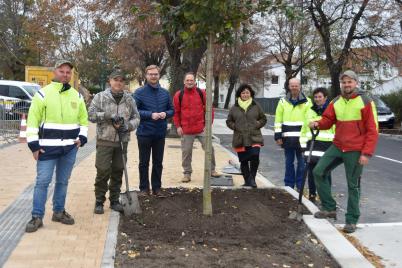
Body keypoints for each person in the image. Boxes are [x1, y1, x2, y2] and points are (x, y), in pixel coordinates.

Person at [309, 70, 378, 233]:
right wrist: (317, 123)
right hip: (338, 146)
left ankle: (352, 219)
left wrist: (366, 153)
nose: (347, 85)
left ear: (356, 83)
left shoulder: (365, 101)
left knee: (353, 185)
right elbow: (328, 120)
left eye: (350, 82)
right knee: (318, 171)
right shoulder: (336, 101)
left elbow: (372, 130)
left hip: (355, 149)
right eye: (344, 82)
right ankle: (329, 208)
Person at [25, 60, 88, 232]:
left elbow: (83, 120)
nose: (65, 74)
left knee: (62, 182)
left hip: (69, 149)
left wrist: (82, 137)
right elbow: (33, 121)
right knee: (42, 182)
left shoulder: (77, 96)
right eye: (62, 71)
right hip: (46, 148)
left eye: (68, 72)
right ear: (55, 72)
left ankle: (58, 212)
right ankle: (37, 216)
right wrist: (34, 145)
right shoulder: (43, 94)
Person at [88, 68, 140, 214]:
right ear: (110, 81)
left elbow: (137, 117)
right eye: (115, 80)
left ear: (124, 83)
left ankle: (114, 200)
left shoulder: (129, 99)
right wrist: (107, 116)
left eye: (121, 80)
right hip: (105, 140)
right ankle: (99, 201)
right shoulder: (100, 97)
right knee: (103, 171)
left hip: (122, 141)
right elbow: (90, 115)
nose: (118, 82)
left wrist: (128, 126)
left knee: (118, 170)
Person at [133, 65, 174, 196]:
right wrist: (150, 114)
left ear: (159, 75)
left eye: (155, 74)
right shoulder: (139, 92)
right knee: (143, 163)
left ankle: (157, 188)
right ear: (146, 76)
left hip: (160, 133)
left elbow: (172, 110)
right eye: (151, 74)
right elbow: (134, 111)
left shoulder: (165, 93)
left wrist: (165, 114)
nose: (153, 76)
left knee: (158, 162)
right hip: (144, 132)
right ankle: (144, 189)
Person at [173, 72, 221, 183]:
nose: (190, 82)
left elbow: (210, 109)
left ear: (195, 81)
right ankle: (187, 174)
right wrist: (178, 126)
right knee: (186, 152)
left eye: (191, 80)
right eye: (187, 80)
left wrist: (208, 125)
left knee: (209, 149)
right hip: (186, 129)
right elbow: (176, 112)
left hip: (201, 128)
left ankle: (212, 170)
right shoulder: (178, 95)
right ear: (184, 82)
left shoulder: (201, 93)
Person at [226, 84, 267, 188]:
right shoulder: (234, 107)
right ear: (240, 94)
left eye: (247, 92)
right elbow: (228, 121)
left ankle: (252, 179)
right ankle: (248, 181)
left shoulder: (256, 105)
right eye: (243, 92)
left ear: (250, 94)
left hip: (254, 137)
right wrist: (234, 126)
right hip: (240, 138)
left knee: (255, 156)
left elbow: (263, 118)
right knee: (243, 161)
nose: (245, 94)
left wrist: (258, 124)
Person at [274, 78, 311, 190]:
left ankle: (300, 187)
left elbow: (310, 119)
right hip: (287, 139)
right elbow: (278, 120)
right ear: (289, 87)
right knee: (288, 163)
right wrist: (278, 135)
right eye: (292, 85)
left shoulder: (307, 102)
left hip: (302, 139)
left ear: (300, 86)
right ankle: (289, 186)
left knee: (301, 164)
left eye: (296, 85)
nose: (294, 87)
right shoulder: (283, 102)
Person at [299, 87, 335, 203]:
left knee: (325, 172)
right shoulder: (309, 111)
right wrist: (303, 146)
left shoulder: (331, 110)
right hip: (312, 145)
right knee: (311, 171)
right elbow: (304, 129)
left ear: (325, 98)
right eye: (315, 97)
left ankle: (326, 196)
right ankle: (312, 195)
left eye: (320, 97)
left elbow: (335, 128)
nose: (317, 99)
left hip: (326, 146)